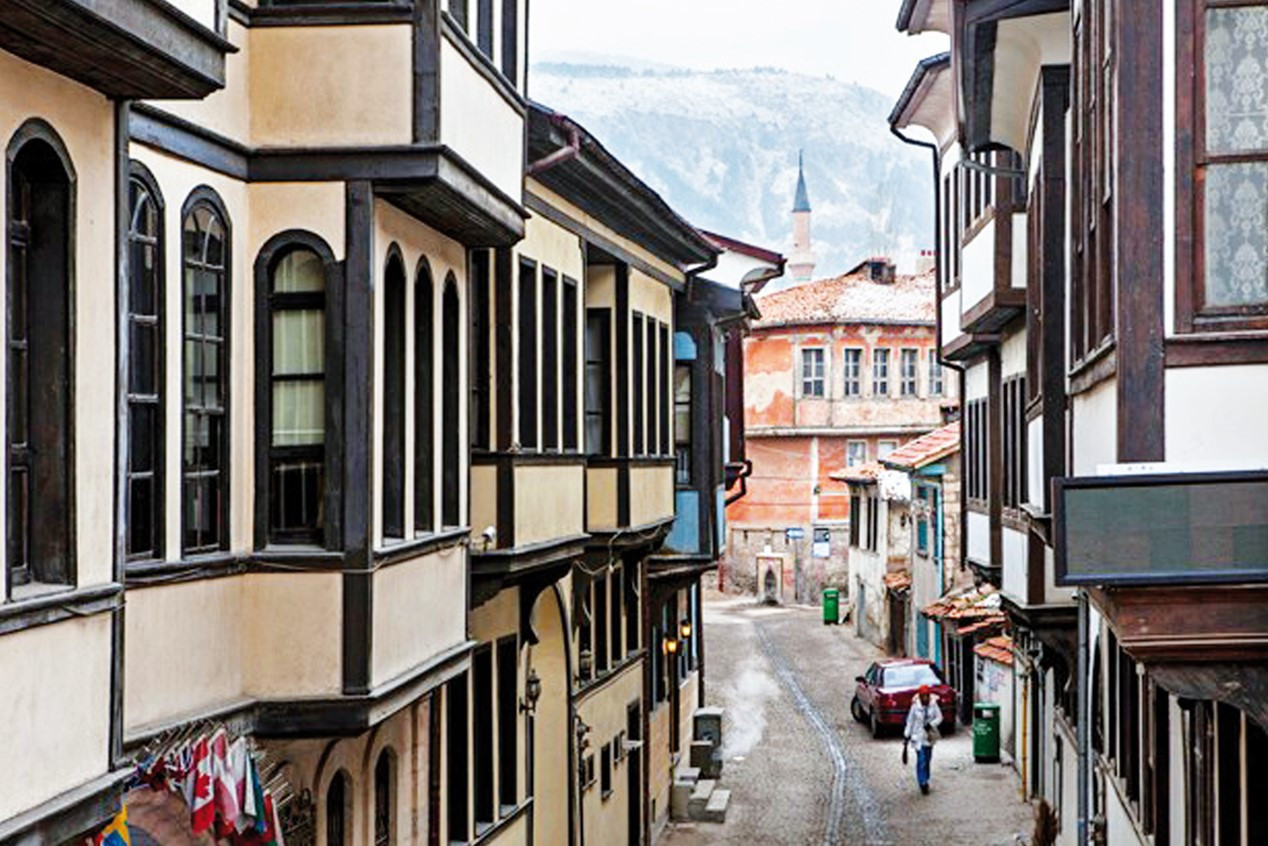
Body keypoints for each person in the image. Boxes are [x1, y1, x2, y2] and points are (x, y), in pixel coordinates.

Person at [903, 684, 942, 794]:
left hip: (929, 737)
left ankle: (926, 778)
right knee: (922, 760)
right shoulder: (915, 707)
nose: (925, 698)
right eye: (923, 696)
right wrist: (906, 735)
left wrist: (931, 724)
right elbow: (910, 721)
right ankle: (922, 782)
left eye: (927, 696)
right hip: (918, 737)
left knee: (928, 759)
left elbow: (939, 717)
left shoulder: (933, 705)